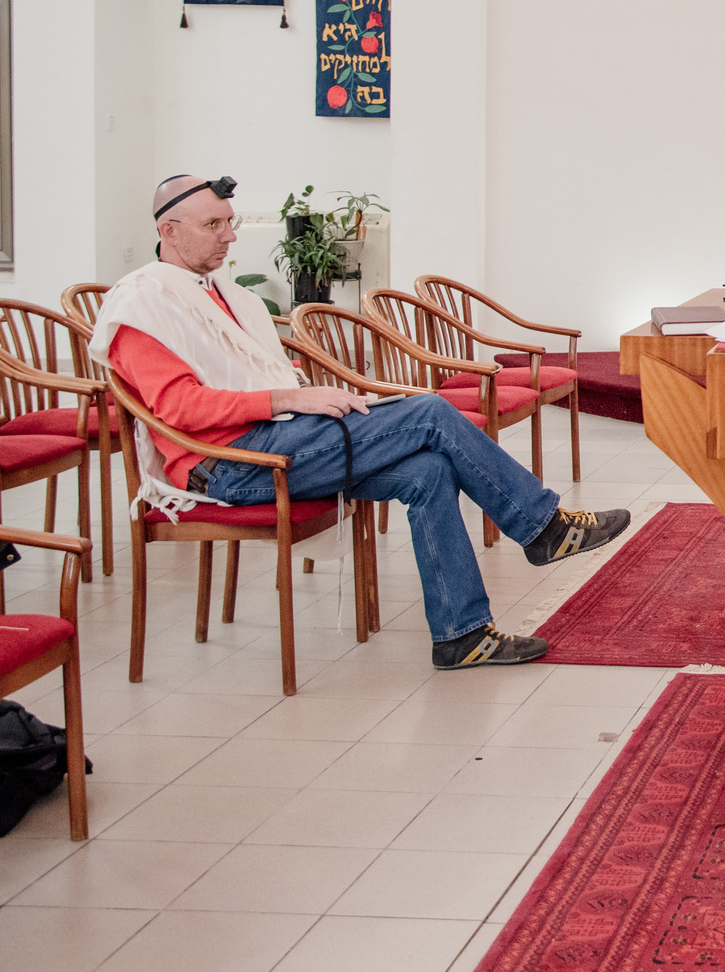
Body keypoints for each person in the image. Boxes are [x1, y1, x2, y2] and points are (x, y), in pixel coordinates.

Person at [95, 175, 631, 670]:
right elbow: (177, 408)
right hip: (231, 465)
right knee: (429, 411)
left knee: (426, 471)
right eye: (214, 225)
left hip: (280, 438)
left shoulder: (220, 294)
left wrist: (303, 392)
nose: (230, 236)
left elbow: (249, 375)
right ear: (168, 230)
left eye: (230, 222)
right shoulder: (143, 302)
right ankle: (543, 527)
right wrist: (286, 397)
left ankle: (461, 635)